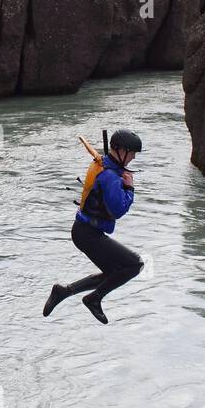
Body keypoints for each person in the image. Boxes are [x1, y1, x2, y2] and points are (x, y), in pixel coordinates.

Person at [44, 128, 143, 324]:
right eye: (131, 153)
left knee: (114, 273)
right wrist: (130, 188)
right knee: (135, 265)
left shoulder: (104, 164)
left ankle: (64, 291)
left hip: (84, 231)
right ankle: (94, 298)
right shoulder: (110, 177)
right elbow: (118, 210)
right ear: (121, 150)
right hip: (87, 234)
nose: (133, 157)